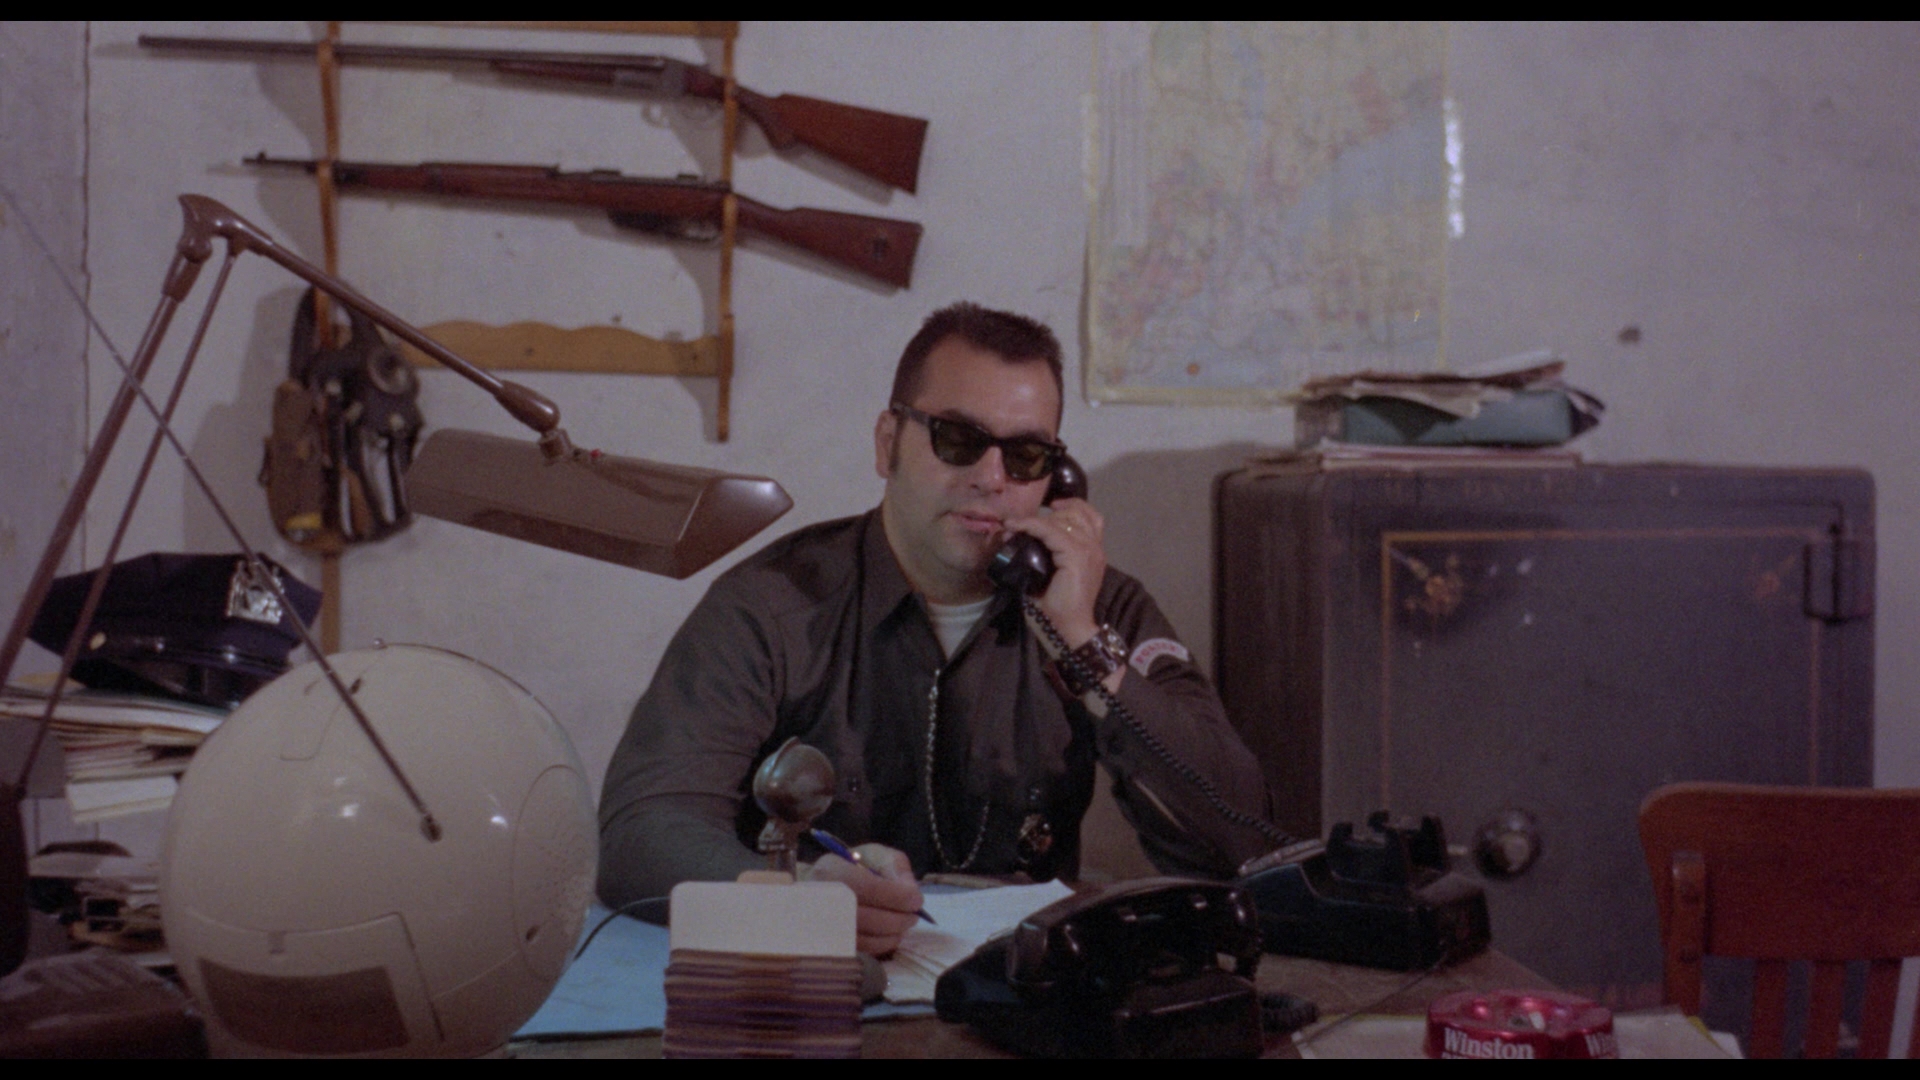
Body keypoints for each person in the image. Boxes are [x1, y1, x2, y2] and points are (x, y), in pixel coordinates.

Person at [598, 303, 1278, 957]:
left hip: (1021, 991)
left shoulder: (1095, 609)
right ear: (888, 444)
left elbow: (1239, 842)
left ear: (1058, 479)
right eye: (958, 440)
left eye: (1026, 455)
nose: (991, 479)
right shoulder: (771, 605)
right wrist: (797, 897)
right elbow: (642, 831)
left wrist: (1083, 648)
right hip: (823, 989)